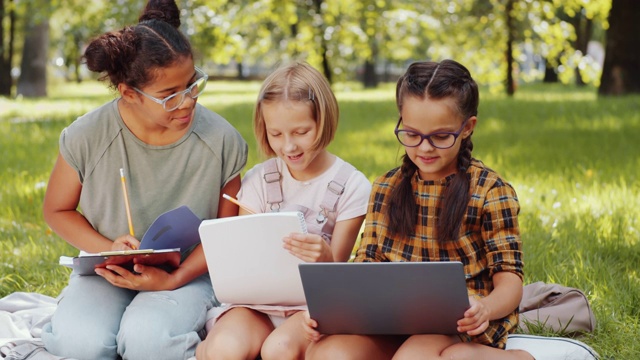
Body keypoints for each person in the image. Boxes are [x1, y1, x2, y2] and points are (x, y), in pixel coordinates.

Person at [40, 1, 247, 359]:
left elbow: (226, 237)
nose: (186, 103)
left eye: (192, 85)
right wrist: (106, 246)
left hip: (189, 272)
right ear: (129, 94)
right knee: (80, 343)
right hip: (109, 271)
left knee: (146, 340)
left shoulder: (221, 140)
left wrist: (171, 280)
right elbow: (57, 210)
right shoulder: (86, 136)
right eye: (169, 96)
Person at [303, 59, 535, 360]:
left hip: (464, 323)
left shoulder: (490, 191)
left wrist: (486, 308)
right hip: (392, 320)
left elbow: (510, 279)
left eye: (440, 136)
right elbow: (368, 260)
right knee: (328, 353)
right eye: (412, 134)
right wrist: (339, 314)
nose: (424, 148)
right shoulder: (387, 186)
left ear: (467, 128)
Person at [195, 62, 372, 360]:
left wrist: (325, 255)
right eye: (276, 134)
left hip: (310, 308)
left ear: (324, 121)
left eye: (301, 131)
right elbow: (243, 261)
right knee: (223, 350)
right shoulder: (258, 180)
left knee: (279, 350)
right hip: (254, 306)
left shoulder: (352, 185)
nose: (289, 146)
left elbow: (338, 274)